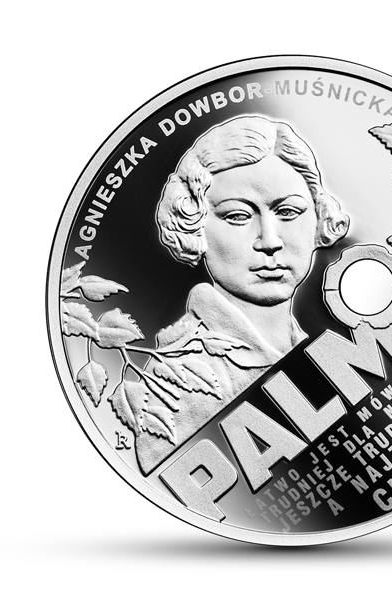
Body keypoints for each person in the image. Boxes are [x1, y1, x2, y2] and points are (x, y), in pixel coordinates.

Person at [135, 115, 349, 474]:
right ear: (193, 226)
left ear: (318, 218)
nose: (270, 240)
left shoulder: (310, 344)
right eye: (237, 216)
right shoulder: (176, 380)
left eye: (288, 212)